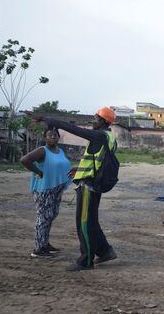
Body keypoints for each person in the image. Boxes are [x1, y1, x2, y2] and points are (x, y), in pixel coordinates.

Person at [28, 107, 118, 271]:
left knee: (84, 223)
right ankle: (105, 251)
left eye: (95, 118)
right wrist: (81, 169)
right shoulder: (110, 137)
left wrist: (48, 119)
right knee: (91, 221)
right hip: (93, 182)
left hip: (89, 186)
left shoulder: (99, 135)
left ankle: (86, 260)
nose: (93, 121)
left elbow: (75, 130)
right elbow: (100, 161)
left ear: (103, 121)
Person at [20, 127, 72, 258]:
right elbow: (24, 160)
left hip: (56, 188)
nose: (53, 137)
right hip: (44, 189)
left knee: (51, 215)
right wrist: (39, 172)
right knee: (43, 217)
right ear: (45, 138)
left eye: (55, 135)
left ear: (58, 137)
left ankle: (45, 243)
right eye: (50, 135)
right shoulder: (42, 151)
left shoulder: (60, 151)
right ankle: (38, 249)